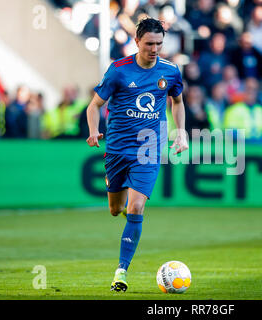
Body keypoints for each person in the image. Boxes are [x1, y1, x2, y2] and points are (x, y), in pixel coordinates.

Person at [86, 18, 188, 293]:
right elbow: (94, 106)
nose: (154, 49)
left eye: (159, 44)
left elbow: (177, 102)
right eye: (149, 44)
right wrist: (94, 131)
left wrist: (181, 132)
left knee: (136, 208)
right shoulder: (118, 71)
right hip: (118, 150)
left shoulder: (171, 71)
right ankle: (127, 214)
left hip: (148, 150)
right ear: (137, 42)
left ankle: (121, 272)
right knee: (115, 209)